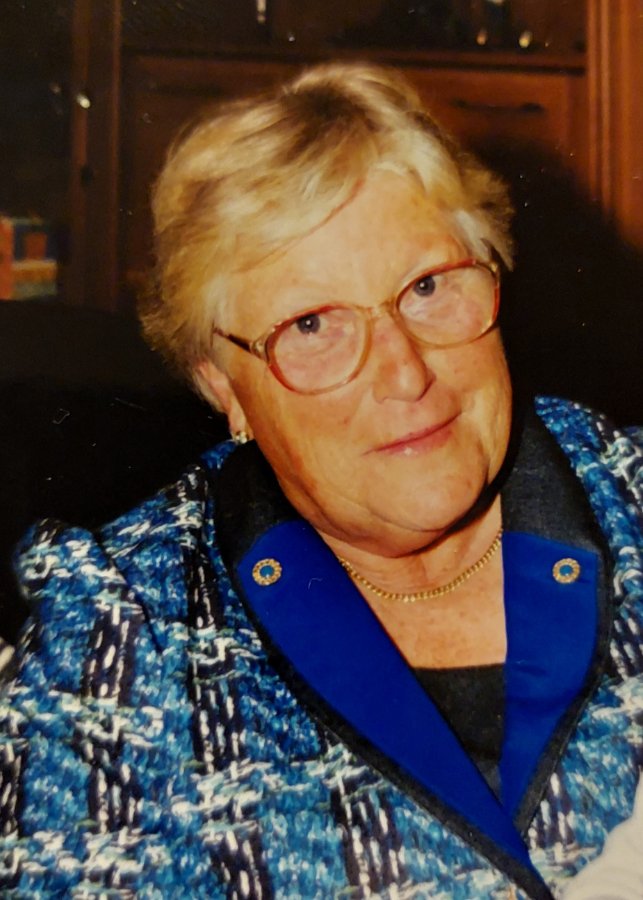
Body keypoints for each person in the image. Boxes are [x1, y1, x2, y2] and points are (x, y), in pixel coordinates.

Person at [0, 62, 641, 899]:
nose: (404, 372)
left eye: (426, 286)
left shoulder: (631, 497)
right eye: (310, 324)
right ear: (224, 387)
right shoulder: (125, 630)